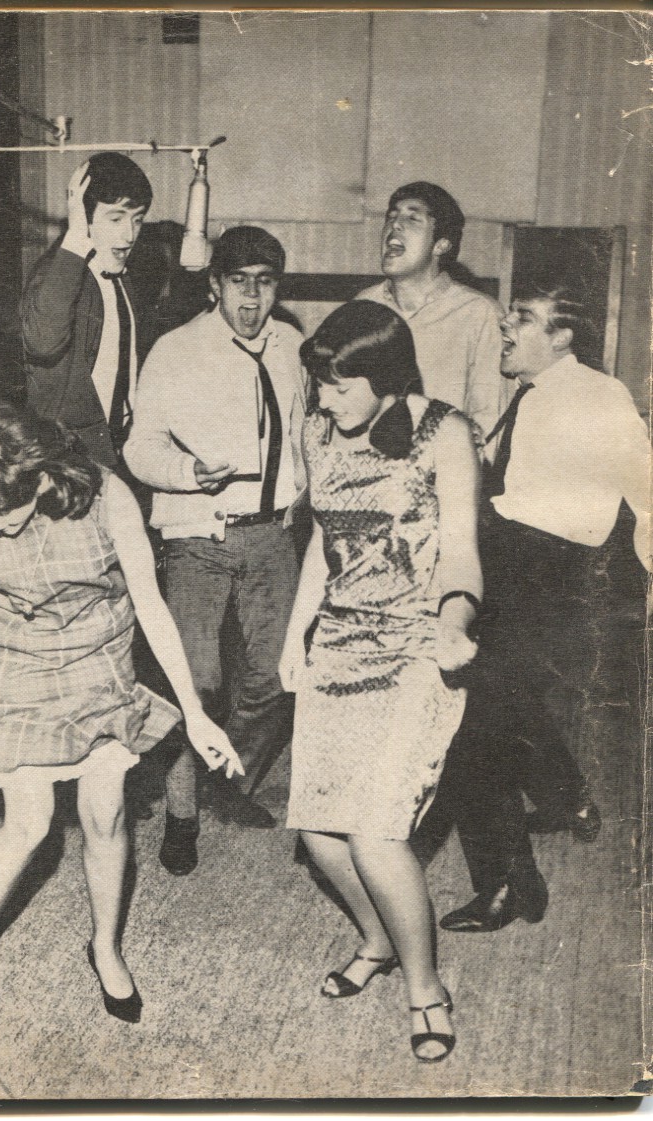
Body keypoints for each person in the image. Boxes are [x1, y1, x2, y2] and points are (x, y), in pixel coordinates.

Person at [0, 397, 242, 1028]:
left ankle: (105, 947)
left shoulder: (108, 498)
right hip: (12, 652)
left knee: (107, 812)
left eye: (2, 519)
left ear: (39, 478)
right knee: (28, 821)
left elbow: (151, 605)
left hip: (98, 651)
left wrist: (195, 713)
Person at [279, 301, 482, 1063]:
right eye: (320, 384)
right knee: (318, 832)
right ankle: (378, 939)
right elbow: (322, 540)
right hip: (338, 642)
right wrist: (297, 632)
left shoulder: (444, 432)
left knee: (375, 832)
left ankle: (426, 988)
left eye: (340, 385)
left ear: (388, 377)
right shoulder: (319, 427)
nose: (324, 399)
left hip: (416, 646)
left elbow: (461, 549)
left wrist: (455, 621)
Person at [439, 284, 651, 933]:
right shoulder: (532, 393)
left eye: (523, 318)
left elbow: (646, 494)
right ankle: (568, 799)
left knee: (474, 727)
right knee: (507, 707)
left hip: (547, 579)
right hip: (509, 566)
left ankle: (510, 884)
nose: (506, 324)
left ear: (562, 336)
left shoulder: (597, 397)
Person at [124, 226, 308, 874]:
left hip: (274, 534)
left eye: (265, 283)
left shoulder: (294, 347)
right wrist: (186, 471)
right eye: (238, 282)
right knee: (194, 681)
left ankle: (227, 775)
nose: (252, 297)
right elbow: (139, 446)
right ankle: (182, 813)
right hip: (197, 535)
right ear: (214, 285)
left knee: (276, 677)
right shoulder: (176, 350)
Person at [22, 153, 153, 470]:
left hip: (119, 448)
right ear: (84, 217)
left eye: (137, 220)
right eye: (116, 219)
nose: (129, 235)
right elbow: (42, 343)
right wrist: (76, 238)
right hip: (71, 458)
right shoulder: (58, 275)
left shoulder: (124, 278)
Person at [356, 181, 510, 439]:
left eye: (412, 218)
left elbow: (490, 419)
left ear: (441, 245)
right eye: (391, 216)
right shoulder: (362, 306)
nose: (395, 225)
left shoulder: (480, 313)